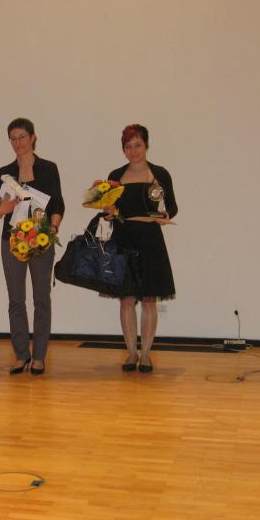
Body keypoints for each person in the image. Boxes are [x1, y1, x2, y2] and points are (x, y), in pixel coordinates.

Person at [0, 118, 64, 376]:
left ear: (33, 138)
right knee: (16, 300)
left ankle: (39, 356)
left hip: (40, 238)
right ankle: (21, 354)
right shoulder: (5, 172)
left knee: (41, 299)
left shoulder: (48, 168)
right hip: (11, 240)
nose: (18, 142)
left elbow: (58, 205)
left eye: (22, 137)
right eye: (13, 138)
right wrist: (3, 208)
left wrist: (52, 228)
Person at [104, 124, 177, 373]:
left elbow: (172, 206)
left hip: (150, 240)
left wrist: (165, 215)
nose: (133, 151)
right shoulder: (115, 175)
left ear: (146, 146)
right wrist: (108, 212)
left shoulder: (160, 173)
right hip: (124, 238)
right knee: (126, 299)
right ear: (123, 149)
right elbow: (108, 207)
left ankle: (145, 354)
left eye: (138, 145)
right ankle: (131, 353)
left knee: (148, 299)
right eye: (128, 146)